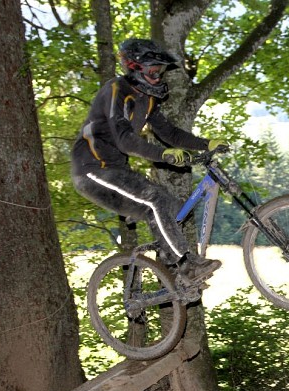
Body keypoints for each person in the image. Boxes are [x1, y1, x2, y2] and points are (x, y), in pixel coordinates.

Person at [71, 38, 226, 281]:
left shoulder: (148, 98)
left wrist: (206, 144)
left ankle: (170, 271)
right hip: (91, 170)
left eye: (161, 71)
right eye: (154, 71)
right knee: (156, 199)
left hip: (115, 171)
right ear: (135, 68)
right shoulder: (116, 90)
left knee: (172, 206)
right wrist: (162, 154)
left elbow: (169, 133)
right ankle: (186, 265)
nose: (158, 77)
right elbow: (123, 139)